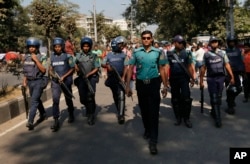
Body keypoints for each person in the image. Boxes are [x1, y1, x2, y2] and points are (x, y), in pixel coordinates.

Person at [125, 30, 168, 155]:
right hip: (141, 84)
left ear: (152, 38)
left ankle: (153, 141)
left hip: (154, 83)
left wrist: (165, 85)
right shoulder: (136, 53)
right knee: (144, 110)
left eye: (148, 38)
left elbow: (162, 69)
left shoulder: (158, 52)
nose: (146, 40)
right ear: (141, 39)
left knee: (154, 112)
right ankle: (147, 129)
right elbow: (130, 68)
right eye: (144, 38)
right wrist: (127, 86)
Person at [200, 36, 234, 128]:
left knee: (218, 97)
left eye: (216, 42)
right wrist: (201, 81)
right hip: (211, 78)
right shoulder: (206, 55)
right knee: (214, 98)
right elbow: (203, 68)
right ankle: (218, 120)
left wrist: (232, 77)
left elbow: (227, 65)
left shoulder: (223, 53)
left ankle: (214, 111)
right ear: (210, 44)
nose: (214, 43)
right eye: (212, 42)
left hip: (221, 78)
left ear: (218, 43)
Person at [166, 35, 196, 128]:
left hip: (184, 79)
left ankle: (186, 118)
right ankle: (178, 117)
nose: (181, 44)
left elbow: (190, 66)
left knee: (186, 98)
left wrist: (192, 78)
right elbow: (167, 67)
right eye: (179, 43)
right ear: (174, 43)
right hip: (174, 79)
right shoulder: (169, 53)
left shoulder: (187, 53)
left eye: (182, 42)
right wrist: (166, 80)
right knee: (175, 99)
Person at [49, 37, 75, 132]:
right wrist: (52, 74)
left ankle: (71, 113)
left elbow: (72, 68)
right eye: (55, 47)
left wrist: (64, 76)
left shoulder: (68, 56)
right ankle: (56, 120)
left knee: (68, 98)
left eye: (59, 47)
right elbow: (51, 69)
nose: (57, 48)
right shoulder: (52, 56)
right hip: (56, 82)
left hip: (66, 81)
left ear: (62, 47)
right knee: (55, 100)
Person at [102, 36, 129, 125]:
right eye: (121, 45)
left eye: (123, 45)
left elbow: (126, 66)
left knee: (121, 96)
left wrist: (124, 77)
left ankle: (121, 115)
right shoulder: (108, 55)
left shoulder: (124, 55)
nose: (122, 47)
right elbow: (102, 63)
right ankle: (119, 109)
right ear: (115, 44)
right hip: (112, 79)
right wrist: (107, 66)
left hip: (120, 79)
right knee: (115, 95)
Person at [23, 37, 48, 130]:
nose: (31, 48)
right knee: (36, 99)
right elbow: (26, 71)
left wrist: (36, 60)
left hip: (39, 81)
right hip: (30, 82)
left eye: (33, 47)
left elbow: (44, 70)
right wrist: (24, 81)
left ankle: (30, 121)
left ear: (37, 47)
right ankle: (43, 114)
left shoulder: (42, 57)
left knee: (34, 101)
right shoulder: (26, 57)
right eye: (30, 47)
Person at [74, 37, 100, 125]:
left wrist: (89, 74)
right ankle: (89, 107)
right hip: (82, 78)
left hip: (91, 78)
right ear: (82, 46)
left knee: (90, 96)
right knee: (82, 98)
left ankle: (91, 115)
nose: (86, 48)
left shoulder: (94, 56)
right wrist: (76, 68)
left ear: (90, 47)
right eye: (84, 46)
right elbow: (73, 64)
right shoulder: (78, 55)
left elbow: (97, 67)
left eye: (87, 46)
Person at [224, 36, 245, 114]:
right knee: (230, 90)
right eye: (230, 42)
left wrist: (243, 72)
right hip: (228, 74)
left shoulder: (239, 51)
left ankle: (231, 100)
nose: (232, 43)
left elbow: (242, 61)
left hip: (237, 73)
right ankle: (230, 106)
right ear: (228, 42)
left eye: (233, 41)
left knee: (239, 89)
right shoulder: (225, 52)